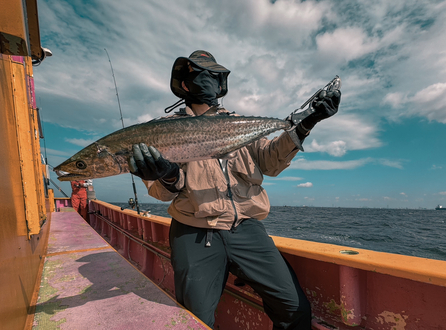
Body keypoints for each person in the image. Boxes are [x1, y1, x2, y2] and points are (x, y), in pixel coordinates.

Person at [128, 50, 341, 329]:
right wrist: (167, 175)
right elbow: (161, 192)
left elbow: (270, 162)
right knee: (195, 321)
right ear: (184, 84)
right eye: (201, 75)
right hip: (194, 231)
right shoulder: (160, 131)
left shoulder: (239, 123)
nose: (210, 82)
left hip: (247, 228)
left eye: (214, 76)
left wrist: (305, 125)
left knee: (294, 308)